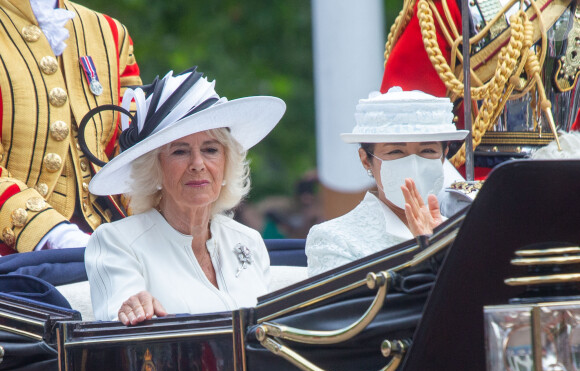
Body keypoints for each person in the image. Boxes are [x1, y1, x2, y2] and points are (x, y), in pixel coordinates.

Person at [83, 68, 286, 325]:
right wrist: (132, 310)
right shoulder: (117, 242)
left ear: (226, 163)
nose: (198, 164)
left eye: (211, 149)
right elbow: (121, 325)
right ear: (154, 168)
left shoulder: (248, 241)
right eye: (180, 151)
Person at [0, 0, 141, 254]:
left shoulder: (110, 32)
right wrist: (53, 233)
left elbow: (135, 145)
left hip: (115, 239)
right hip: (13, 253)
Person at [305, 87, 468, 276]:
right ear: (366, 159)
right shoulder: (334, 238)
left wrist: (442, 245)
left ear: (444, 156)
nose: (413, 165)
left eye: (428, 151)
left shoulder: (463, 233)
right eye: (395, 152)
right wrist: (426, 250)